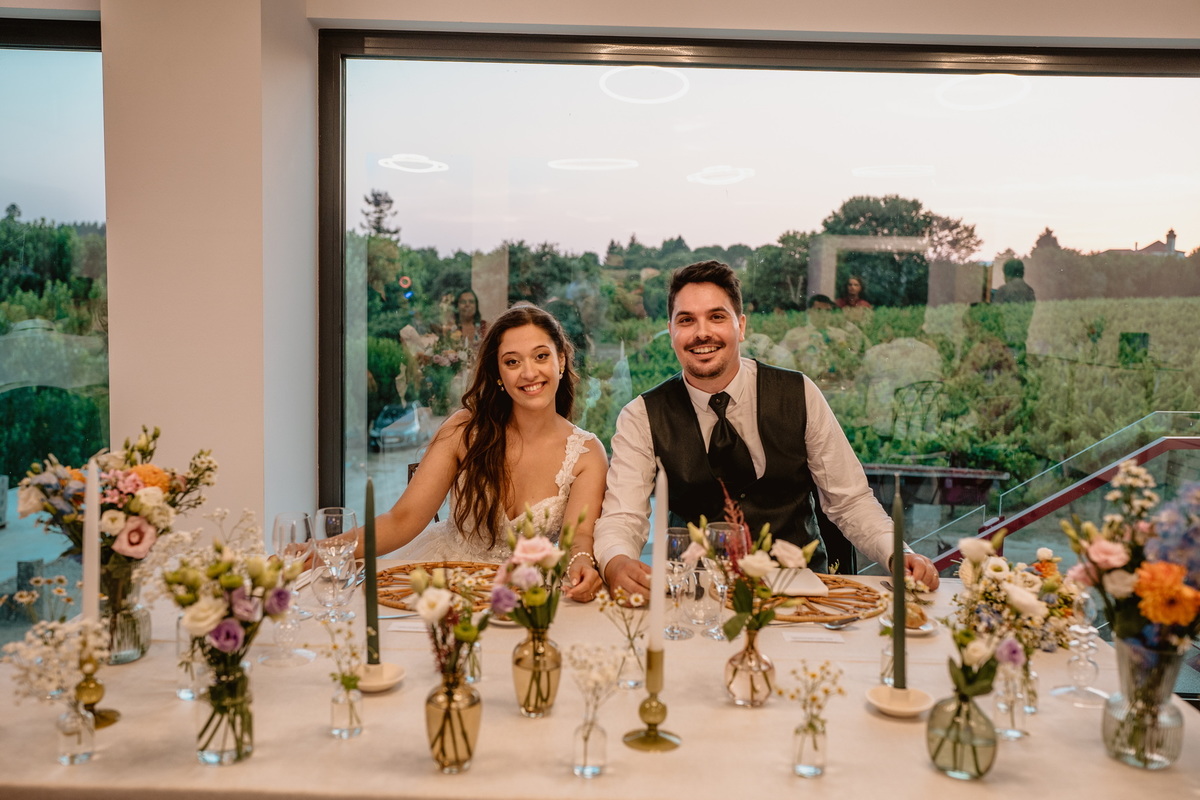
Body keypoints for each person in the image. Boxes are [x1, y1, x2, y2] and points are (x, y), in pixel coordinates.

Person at [595, 260, 940, 596]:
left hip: (801, 594)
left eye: (717, 317)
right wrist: (616, 562)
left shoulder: (799, 394)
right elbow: (623, 517)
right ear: (671, 331)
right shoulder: (641, 415)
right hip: (694, 598)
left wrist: (897, 553)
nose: (702, 332)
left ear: (741, 326)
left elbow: (849, 501)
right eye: (686, 320)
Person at [357, 304, 606, 602]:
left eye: (541, 356)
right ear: (498, 373)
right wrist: (326, 550)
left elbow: (578, 538)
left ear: (561, 360)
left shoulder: (587, 453)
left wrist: (582, 562)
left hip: (526, 594)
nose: (529, 372)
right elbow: (402, 519)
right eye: (512, 362)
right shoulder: (463, 429)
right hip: (446, 580)